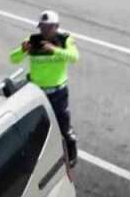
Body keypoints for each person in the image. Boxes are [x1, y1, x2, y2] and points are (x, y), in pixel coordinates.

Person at [9, 10, 80, 166]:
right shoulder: (32, 41)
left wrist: (54, 49)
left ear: (56, 27)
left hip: (58, 92)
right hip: (37, 92)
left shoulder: (65, 40)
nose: (45, 31)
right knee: (37, 126)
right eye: (42, 27)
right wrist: (23, 50)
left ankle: (71, 153)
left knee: (64, 126)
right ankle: (37, 158)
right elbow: (13, 58)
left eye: (49, 27)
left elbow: (74, 57)